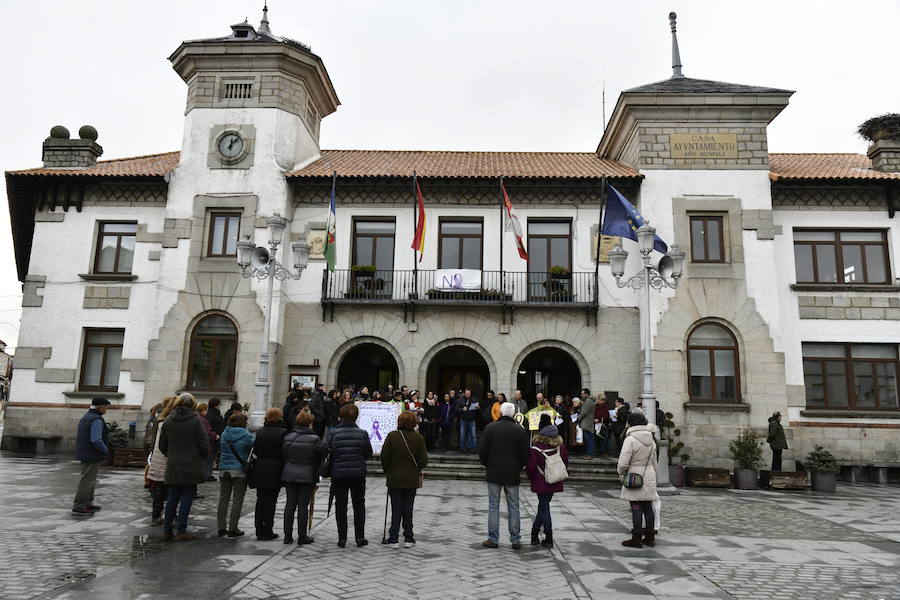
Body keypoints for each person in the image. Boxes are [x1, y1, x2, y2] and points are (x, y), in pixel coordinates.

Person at [477, 402, 530, 549]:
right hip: (512, 472)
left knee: (493, 506)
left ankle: (493, 539)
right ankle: (515, 539)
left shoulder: (490, 428)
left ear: (500, 412)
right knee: (514, 506)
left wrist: (487, 464)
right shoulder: (519, 430)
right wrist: (519, 466)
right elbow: (525, 453)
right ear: (513, 414)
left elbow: (482, 450)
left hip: (494, 471)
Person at [159, 393, 209, 541]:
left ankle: (167, 530)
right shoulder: (197, 420)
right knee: (187, 496)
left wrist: (172, 454)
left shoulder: (168, 420)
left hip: (174, 463)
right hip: (192, 463)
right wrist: (201, 456)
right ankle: (181, 530)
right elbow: (204, 442)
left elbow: (162, 445)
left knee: (172, 497)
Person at [326, 403, 374, 547]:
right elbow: (368, 454)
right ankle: (360, 537)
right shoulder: (362, 433)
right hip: (357, 473)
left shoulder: (333, 434)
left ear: (341, 416)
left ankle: (342, 538)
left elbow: (329, 452)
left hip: (339, 473)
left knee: (340, 505)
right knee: (359, 504)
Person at [380, 410, 429, 548]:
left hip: (394, 477)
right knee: (408, 507)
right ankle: (408, 537)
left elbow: (384, 457)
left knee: (396, 507)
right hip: (411, 478)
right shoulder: (418, 438)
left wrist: (387, 470)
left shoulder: (392, 436)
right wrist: (417, 467)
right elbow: (424, 460)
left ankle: (393, 538)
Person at [282, 410, 325, 544]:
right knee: (302, 505)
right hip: (307, 474)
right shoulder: (314, 439)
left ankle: (287, 536)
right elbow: (320, 456)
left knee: (290, 505)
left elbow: (284, 455)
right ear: (309, 424)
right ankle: (302, 535)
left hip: (289, 473)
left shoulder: (288, 437)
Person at [617, 411, 658, 548]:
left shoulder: (630, 439)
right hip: (649, 473)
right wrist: (654, 474)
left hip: (634, 475)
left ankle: (636, 537)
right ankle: (650, 536)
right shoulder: (651, 439)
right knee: (648, 507)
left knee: (636, 507)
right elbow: (654, 461)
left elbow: (623, 462)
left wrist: (621, 473)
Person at [526, 418, 569, 548]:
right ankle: (534, 534)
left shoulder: (536, 447)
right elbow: (565, 461)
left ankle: (548, 536)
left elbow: (531, 467)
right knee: (543, 506)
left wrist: (531, 477)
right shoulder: (560, 445)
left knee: (544, 507)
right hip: (554, 480)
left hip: (540, 481)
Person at [72, 397, 112, 515]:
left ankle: (88, 503)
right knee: (87, 480)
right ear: (100, 407)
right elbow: (96, 440)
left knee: (89, 480)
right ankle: (80, 505)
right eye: (105, 407)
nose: (106, 410)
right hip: (91, 454)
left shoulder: (87, 416)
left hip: (85, 452)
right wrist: (105, 451)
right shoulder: (96, 419)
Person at [218, 412, 255, 538]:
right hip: (239, 470)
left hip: (224, 468)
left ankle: (221, 527)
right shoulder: (245, 435)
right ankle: (233, 528)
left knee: (223, 498)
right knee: (237, 499)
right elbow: (254, 445)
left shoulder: (224, 433)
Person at [253, 408, 287, 541]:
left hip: (260, 467)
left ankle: (259, 530)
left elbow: (255, 448)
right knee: (271, 501)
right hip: (275, 468)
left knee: (260, 500)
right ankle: (267, 530)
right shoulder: (283, 432)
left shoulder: (260, 431)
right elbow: (284, 451)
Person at [196, 403, 218, 482]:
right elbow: (207, 432)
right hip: (206, 443)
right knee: (207, 461)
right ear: (202, 410)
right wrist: (215, 435)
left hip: (201, 443)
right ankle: (206, 475)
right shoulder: (202, 420)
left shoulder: (198, 418)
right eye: (205, 410)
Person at [205, 398, 226, 481]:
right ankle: (206, 474)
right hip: (212, 438)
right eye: (219, 404)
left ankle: (209, 473)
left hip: (217, 438)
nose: (220, 406)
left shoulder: (217, 414)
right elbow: (208, 427)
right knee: (209, 457)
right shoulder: (210, 414)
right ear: (215, 405)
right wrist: (214, 434)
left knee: (212, 457)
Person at [577, 389, 597, 459]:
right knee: (588, 439)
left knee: (589, 439)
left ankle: (590, 454)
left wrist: (578, 418)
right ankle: (588, 453)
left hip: (587, 423)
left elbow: (584, 412)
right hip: (586, 422)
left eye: (583, 394)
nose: (581, 395)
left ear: (587, 394)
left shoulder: (588, 401)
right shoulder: (587, 401)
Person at [458, 388, 480, 453]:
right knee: (462, 435)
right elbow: (456, 409)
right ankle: (462, 449)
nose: (468, 395)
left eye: (469, 394)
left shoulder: (474, 399)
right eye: (467, 394)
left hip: (471, 419)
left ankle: (473, 449)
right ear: (464, 394)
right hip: (463, 419)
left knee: (473, 435)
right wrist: (462, 409)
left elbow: (478, 408)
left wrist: (478, 407)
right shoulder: (460, 400)